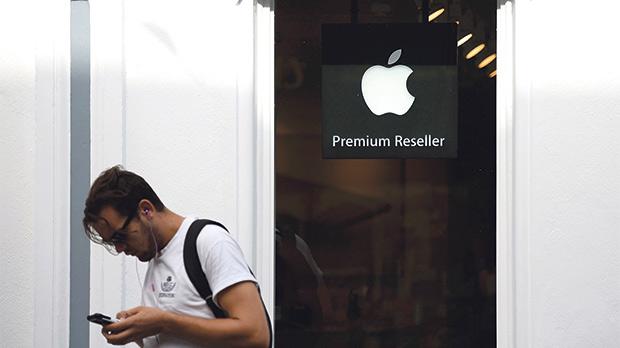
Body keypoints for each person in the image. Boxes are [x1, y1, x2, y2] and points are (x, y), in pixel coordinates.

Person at [82, 165, 270, 347]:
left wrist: (164, 323)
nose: (119, 248)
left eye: (119, 236)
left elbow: (256, 334)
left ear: (146, 210)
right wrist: (138, 331)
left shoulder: (210, 241)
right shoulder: (157, 256)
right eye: (111, 242)